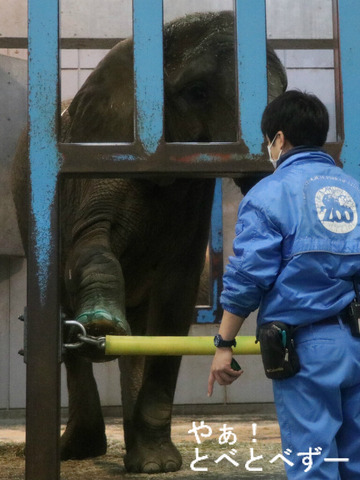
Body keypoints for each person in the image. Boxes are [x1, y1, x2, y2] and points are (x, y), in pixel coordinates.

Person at [208, 90, 360, 479]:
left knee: (313, 462)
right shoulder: (354, 190)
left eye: (267, 142)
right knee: (354, 459)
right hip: (356, 341)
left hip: (306, 348)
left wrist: (224, 344)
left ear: (278, 139)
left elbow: (247, 278)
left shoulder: (270, 194)